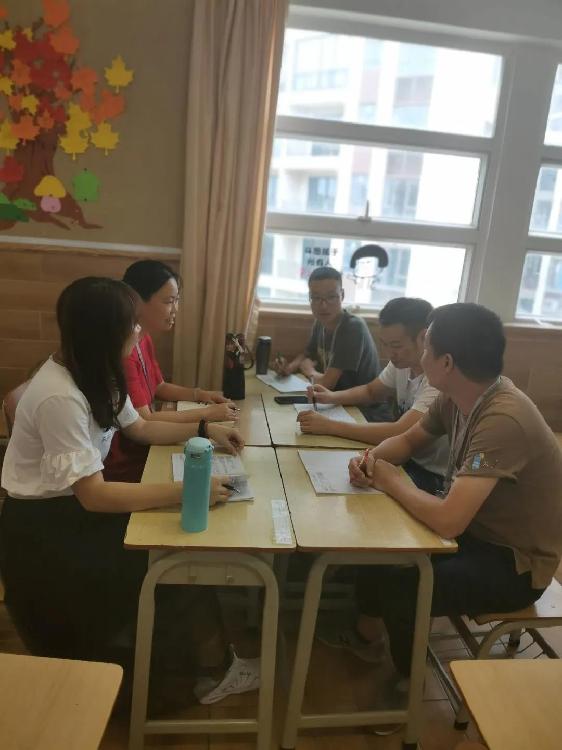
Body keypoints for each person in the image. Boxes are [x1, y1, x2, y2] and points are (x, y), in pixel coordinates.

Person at [0, 277, 259, 706]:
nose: (138, 333)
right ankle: (209, 673)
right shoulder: (59, 396)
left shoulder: (95, 370)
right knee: (173, 563)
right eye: (131, 325)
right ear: (105, 332)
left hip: (74, 511)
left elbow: (139, 428)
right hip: (48, 533)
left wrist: (204, 429)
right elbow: (95, 496)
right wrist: (187, 491)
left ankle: (209, 665)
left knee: (175, 550)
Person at [343, 303, 562, 704]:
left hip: (515, 564)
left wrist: (390, 481)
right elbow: (408, 440)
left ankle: (409, 687)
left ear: (446, 362)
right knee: (379, 552)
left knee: (404, 589)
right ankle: (367, 638)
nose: (420, 355)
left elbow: (449, 521)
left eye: (426, 347)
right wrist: (371, 459)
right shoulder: (457, 396)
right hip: (477, 534)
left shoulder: (503, 419)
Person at [104, 259, 237, 483]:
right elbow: (145, 420)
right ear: (136, 300)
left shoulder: (143, 338)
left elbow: (159, 386)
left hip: (146, 443)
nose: (175, 309)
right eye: (169, 301)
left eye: (177, 300)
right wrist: (207, 416)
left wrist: (201, 395)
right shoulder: (125, 352)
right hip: (132, 457)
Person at [299, 297, 448, 494]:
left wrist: (330, 426)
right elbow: (372, 391)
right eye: (384, 344)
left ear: (424, 337)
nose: (389, 353)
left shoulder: (439, 379)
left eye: (396, 345)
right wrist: (331, 397)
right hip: (406, 459)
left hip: (432, 475)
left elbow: (401, 432)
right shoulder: (402, 363)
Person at [273, 266, 380, 393]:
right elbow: (307, 354)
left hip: (359, 404)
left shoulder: (353, 327)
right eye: (316, 298)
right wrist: (288, 368)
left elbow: (327, 384)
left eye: (331, 297)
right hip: (332, 399)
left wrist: (309, 370)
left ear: (342, 295)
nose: (323, 306)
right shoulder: (320, 322)